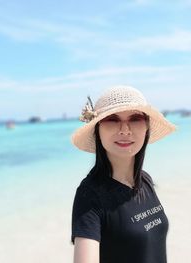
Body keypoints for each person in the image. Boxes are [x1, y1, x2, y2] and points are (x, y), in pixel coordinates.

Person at [70, 85, 177, 263]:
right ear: (97, 130)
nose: (125, 130)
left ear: (147, 127)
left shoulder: (145, 180)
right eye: (112, 119)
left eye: (135, 118)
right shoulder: (90, 195)